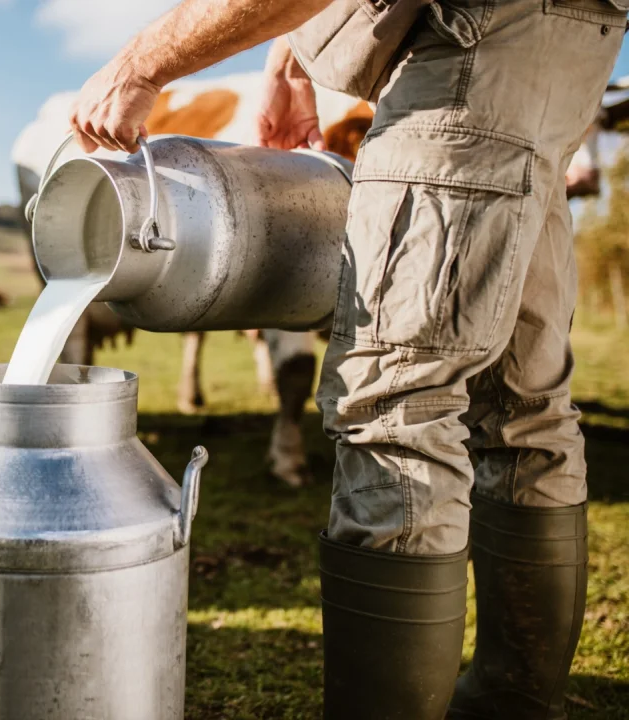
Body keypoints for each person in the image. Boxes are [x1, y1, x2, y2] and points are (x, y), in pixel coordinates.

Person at [66, 0, 624, 717]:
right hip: (558, 46)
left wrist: (139, 64)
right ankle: (512, 701)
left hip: (465, 51)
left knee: (395, 404)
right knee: (521, 402)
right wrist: (288, 62)